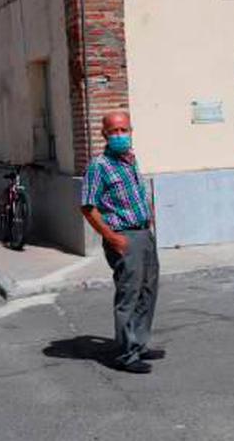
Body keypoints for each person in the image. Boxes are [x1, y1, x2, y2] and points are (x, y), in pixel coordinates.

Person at [80, 111, 163, 373]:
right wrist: (112, 237)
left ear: (131, 130)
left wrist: (149, 219)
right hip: (124, 237)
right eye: (113, 131)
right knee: (129, 294)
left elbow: (138, 193)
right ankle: (127, 354)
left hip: (144, 234)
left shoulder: (130, 160)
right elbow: (87, 206)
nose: (119, 135)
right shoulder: (99, 166)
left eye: (123, 130)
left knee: (148, 292)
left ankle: (139, 343)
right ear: (104, 134)